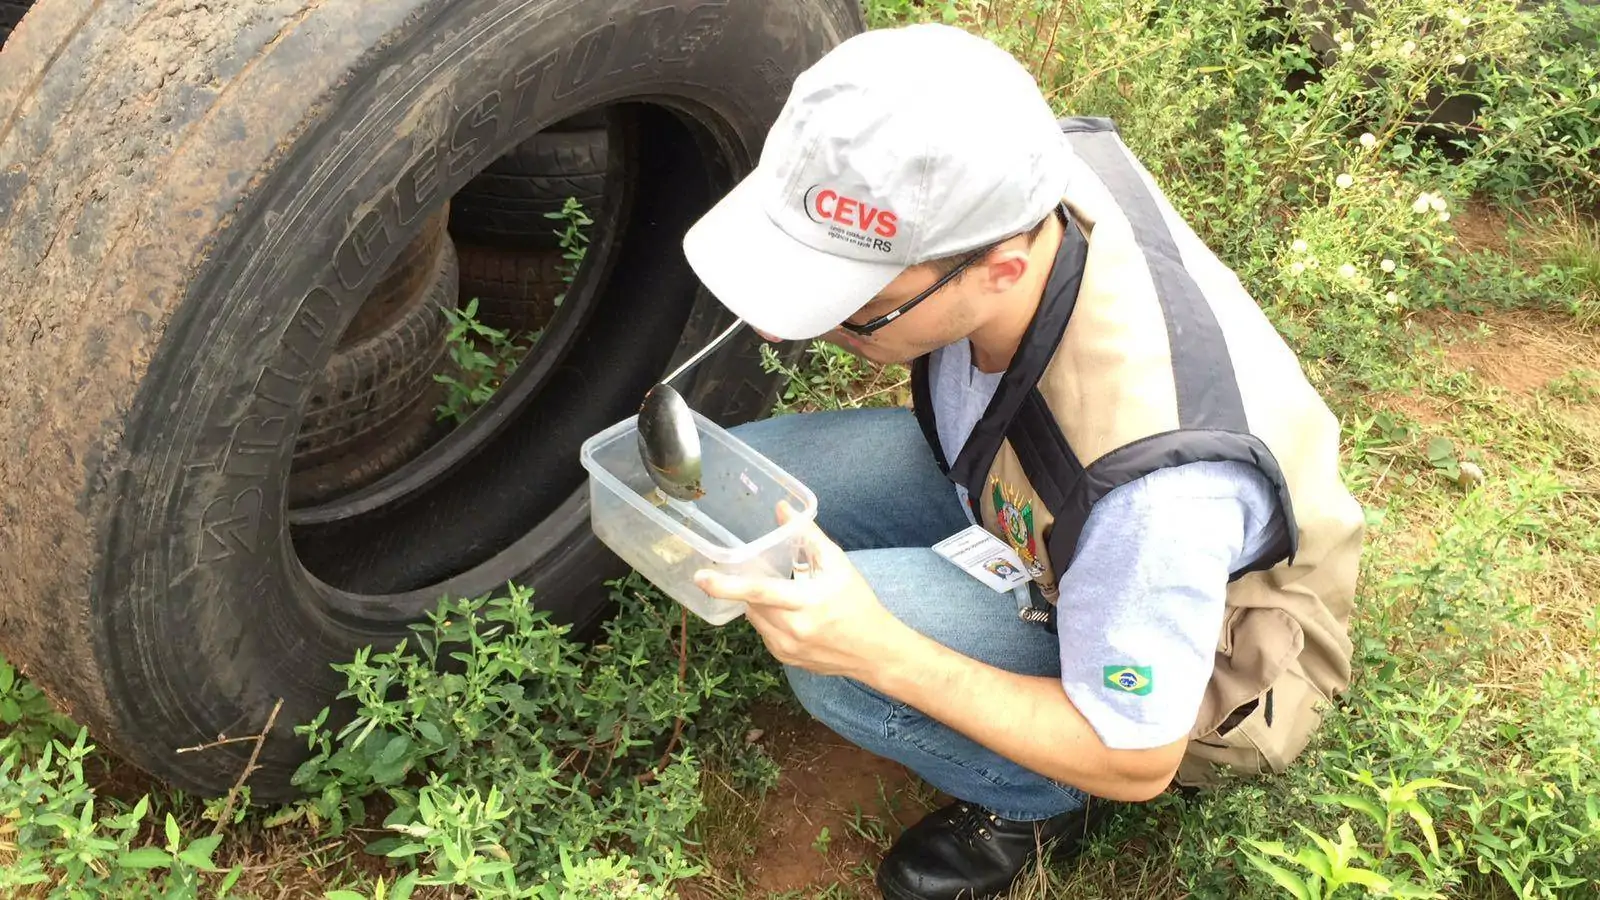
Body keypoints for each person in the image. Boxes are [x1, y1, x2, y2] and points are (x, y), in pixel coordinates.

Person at [679, 22, 1366, 900]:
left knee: (837, 656)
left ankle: (1041, 797)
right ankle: (986, 602)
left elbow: (1138, 757)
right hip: (1035, 483)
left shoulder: (1158, 495)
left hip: (1200, 649)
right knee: (752, 478)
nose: (787, 330)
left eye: (858, 306)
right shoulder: (1015, 171)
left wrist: (879, 649)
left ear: (1000, 270)